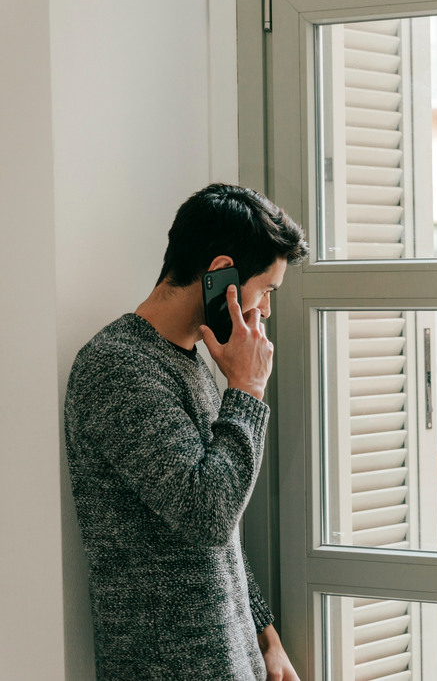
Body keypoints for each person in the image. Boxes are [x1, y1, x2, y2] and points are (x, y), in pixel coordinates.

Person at [65, 184, 308, 680]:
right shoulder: (118, 368)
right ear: (222, 273)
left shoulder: (189, 363)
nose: (265, 311)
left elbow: (221, 529)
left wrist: (266, 636)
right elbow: (207, 514)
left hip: (229, 658)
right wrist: (247, 388)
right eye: (266, 291)